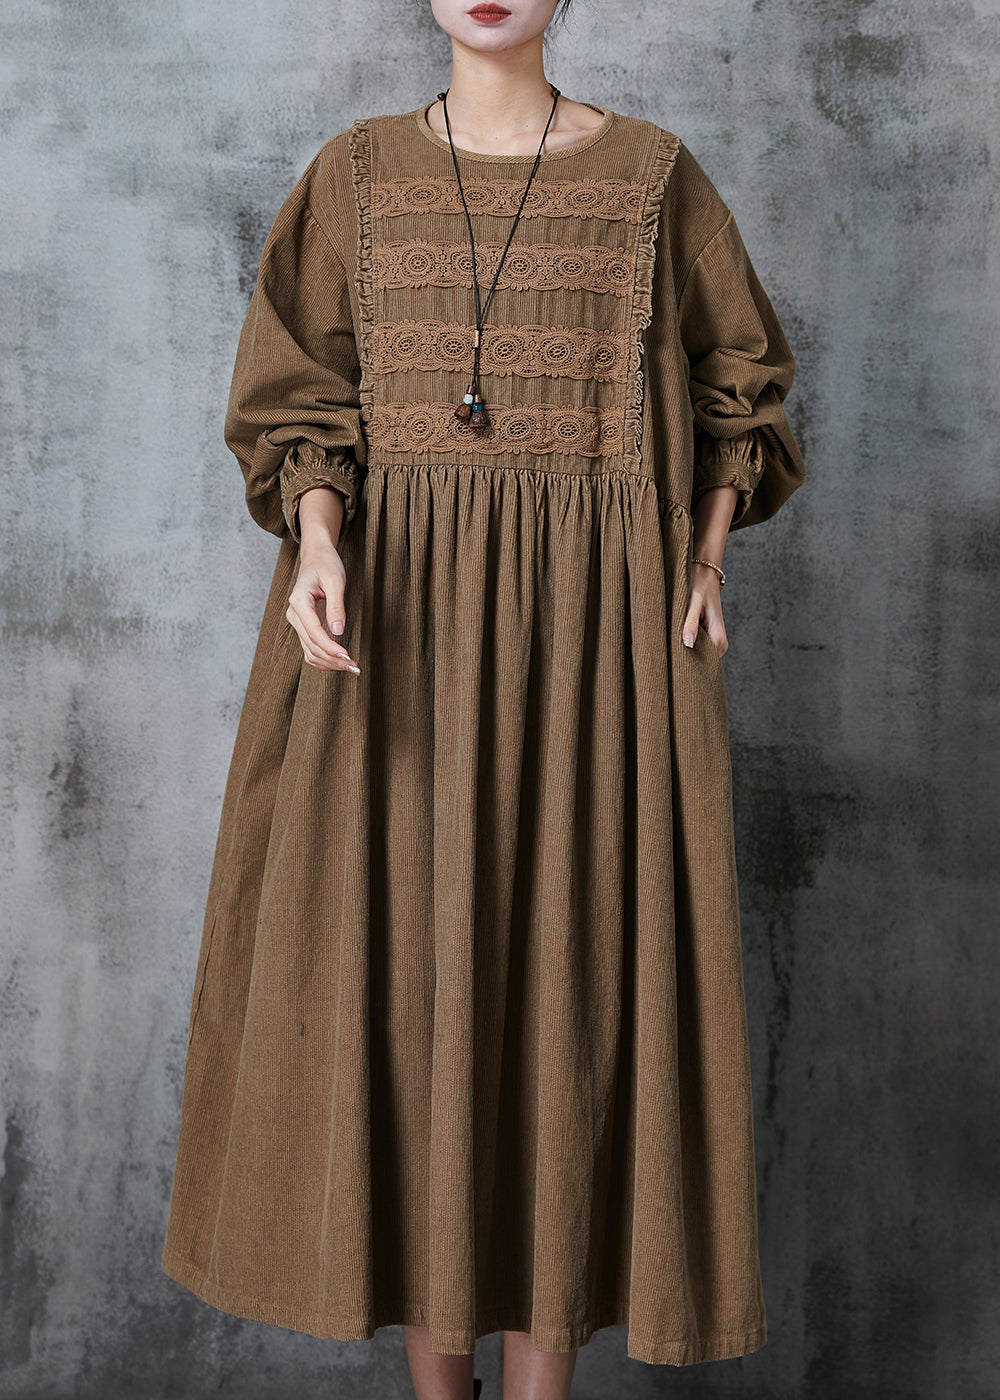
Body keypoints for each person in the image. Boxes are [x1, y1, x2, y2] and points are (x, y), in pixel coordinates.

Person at [160, 2, 806, 1397]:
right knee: (414, 1006)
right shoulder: (353, 175)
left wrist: (703, 561)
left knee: (567, 1001)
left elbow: (741, 387)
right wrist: (317, 540)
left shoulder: (657, 178)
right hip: (396, 658)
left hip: (599, 664)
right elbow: (299, 399)